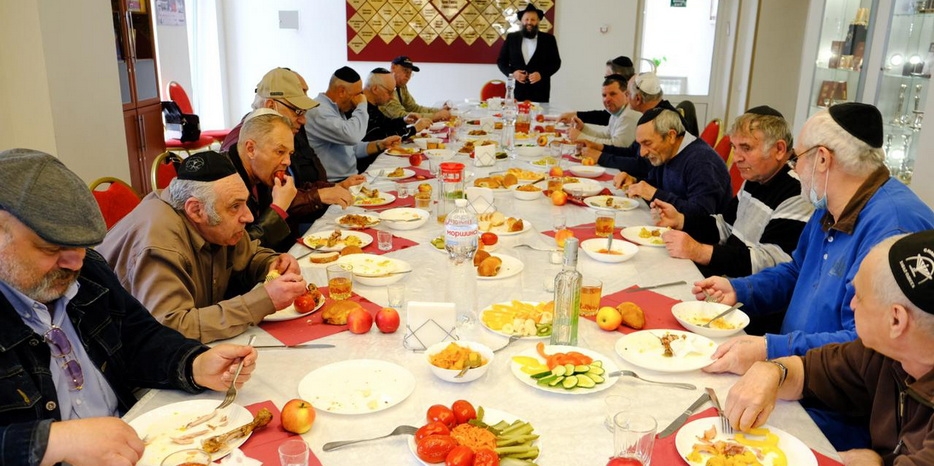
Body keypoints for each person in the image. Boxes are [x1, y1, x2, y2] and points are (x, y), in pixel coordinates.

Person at [694, 102, 934, 450]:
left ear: (822, 159)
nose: (795, 168)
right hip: (798, 374)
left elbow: (867, 345)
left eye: (797, 158)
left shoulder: (892, 227)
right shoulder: (832, 204)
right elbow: (797, 270)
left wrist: (771, 349)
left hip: (840, 411)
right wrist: (740, 288)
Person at [0, 148, 258, 466]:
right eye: (51, 247)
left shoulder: (88, 271)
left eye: (82, 245)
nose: (75, 262)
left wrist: (194, 363)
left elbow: (139, 337)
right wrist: (53, 442)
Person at [725, 231, 934, 465]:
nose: (852, 304)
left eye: (859, 296)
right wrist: (773, 371)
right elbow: (810, 371)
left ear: (896, 320)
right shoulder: (882, 353)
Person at [97, 151, 308, 343]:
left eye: (244, 203)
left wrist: (271, 263)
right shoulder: (159, 242)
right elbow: (171, 328)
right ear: (196, 210)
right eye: (235, 206)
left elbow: (248, 256)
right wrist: (263, 300)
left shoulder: (214, 218)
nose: (249, 216)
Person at [653, 106, 813, 278]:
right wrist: (681, 220)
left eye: (746, 148)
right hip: (727, 278)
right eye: (734, 147)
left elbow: (771, 264)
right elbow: (726, 226)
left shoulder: (798, 192)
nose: (736, 158)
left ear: (779, 149)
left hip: (744, 289)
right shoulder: (757, 177)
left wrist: (699, 251)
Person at [222, 68, 364, 236]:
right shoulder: (243, 147)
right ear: (271, 106)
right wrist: (317, 196)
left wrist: (336, 187)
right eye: (297, 111)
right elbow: (244, 243)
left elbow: (292, 187)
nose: (304, 120)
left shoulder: (288, 133)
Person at [613, 106, 732, 218]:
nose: (642, 153)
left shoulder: (702, 162)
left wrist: (654, 194)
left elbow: (702, 215)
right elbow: (657, 185)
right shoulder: (666, 153)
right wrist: (635, 182)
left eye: (647, 143)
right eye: (640, 145)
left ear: (671, 136)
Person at [305, 66, 401, 182]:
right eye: (357, 94)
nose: (360, 98)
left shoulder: (336, 108)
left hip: (350, 178)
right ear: (342, 91)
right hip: (334, 183)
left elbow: (351, 148)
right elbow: (352, 137)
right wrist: (362, 106)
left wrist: (380, 144)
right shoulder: (318, 110)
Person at [580, 72, 668, 174]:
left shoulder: (660, 119)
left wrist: (601, 157)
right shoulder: (650, 114)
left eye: (628, 94)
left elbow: (643, 166)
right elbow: (631, 151)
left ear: (638, 99)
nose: (627, 98)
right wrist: (599, 147)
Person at [496, 3, 561, 103]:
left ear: (538, 21)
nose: (529, 22)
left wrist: (541, 74)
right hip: (516, 91)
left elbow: (555, 63)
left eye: (533, 19)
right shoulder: (511, 38)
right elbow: (501, 61)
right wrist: (513, 73)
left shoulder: (549, 39)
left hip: (540, 91)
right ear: (521, 21)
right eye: (526, 19)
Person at [565, 74, 640, 148]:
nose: (607, 99)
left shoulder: (629, 115)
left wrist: (581, 137)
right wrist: (583, 129)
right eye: (604, 95)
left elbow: (616, 146)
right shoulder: (616, 112)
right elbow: (606, 136)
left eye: (612, 94)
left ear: (626, 95)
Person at [560, 56, 635, 126]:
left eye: (607, 77)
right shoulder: (633, 88)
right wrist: (576, 116)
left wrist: (576, 116)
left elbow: (606, 117)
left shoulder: (632, 98)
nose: (606, 81)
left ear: (617, 75)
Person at [363, 68, 432, 142]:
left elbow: (385, 124)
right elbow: (380, 138)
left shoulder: (371, 105)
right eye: (390, 92)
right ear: (375, 89)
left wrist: (404, 120)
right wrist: (414, 129)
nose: (392, 97)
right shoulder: (361, 109)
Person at [379, 56, 451, 122]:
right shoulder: (384, 87)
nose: (408, 76)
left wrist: (439, 111)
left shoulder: (401, 87)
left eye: (410, 72)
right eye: (405, 70)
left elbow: (413, 108)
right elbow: (401, 116)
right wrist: (435, 116)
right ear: (393, 67)